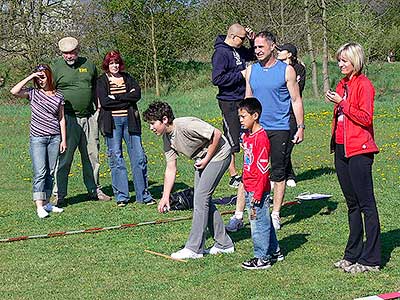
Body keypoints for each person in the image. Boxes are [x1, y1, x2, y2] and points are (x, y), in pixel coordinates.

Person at [143, 101, 234, 259]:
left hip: (219, 154)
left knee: (200, 198)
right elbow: (171, 168)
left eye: (152, 123)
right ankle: (224, 244)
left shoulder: (185, 125)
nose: (151, 128)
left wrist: (206, 160)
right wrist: (165, 197)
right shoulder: (167, 138)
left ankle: (194, 249)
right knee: (203, 199)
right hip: (203, 159)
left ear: (164, 119)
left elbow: (217, 134)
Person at [326, 42, 381, 273]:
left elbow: (365, 117)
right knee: (352, 204)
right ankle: (353, 254)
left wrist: (343, 103)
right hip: (342, 149)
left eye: (344, 61)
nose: (340, 64)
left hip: (360, 150)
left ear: (355, 61)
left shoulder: (364, 85)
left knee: (366, 204)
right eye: (339, 60)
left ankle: (372, 259)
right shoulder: (343, 84)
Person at [245, 31, 305, 231]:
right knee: (253, 172)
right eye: (255, 47)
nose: (257, 50)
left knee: (278, 173)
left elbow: (296, 100)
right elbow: (248, 103)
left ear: (272, 47)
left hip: (280, 128)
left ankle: (276, 214)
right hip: (257, 129)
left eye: (261, 47)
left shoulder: (287, 70)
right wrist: (245, 126)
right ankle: (251, 210)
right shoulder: (251, 71)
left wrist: (300, 127)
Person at [51, 37, 111, 206]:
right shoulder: (55, 68)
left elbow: (95, 88)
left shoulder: (89, 65)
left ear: (77, 51)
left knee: (92, 155)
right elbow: (50, 91)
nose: (69, 56)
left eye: (72, 53)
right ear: (61, 53)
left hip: (89, 117)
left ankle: (95, 190)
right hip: (67, 119)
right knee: (64, 157)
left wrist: (98, 109)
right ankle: (59, 194)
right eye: (66, 53)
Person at [97, 50, 155, 207]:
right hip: (112, 124)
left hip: (131, 122)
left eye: (116, 62)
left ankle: (143, 195)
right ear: (107, 65)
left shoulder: (127, 78)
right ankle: (122, 196)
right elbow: (105, 102)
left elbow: (136, 95)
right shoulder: (101, 81)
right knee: (116, 158)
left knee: (139, 157)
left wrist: (116, 98)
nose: (114, 66)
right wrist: (126, 99)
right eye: (111, 63)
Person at [10, 64, 66, 218]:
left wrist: (63, 140)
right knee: (40, 172)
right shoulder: (33, 93)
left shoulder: (59, 96)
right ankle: (39, 206)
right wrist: (31, 76)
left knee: (50, 172)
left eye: (43, 76)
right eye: (39, 77)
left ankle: (48, 203)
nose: (41, 80)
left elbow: (61, 119)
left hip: (54, 138)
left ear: (49, 76)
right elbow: (14, 91)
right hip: (38, 138)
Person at [238, 98, 284, 270]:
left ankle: (262, 258)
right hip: (249, 186)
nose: (241, 120)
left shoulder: (261, 138)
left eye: (243, 116)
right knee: (264, 221)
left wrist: (258, 193)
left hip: (258, 189)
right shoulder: (249, 136)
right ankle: (274, 251)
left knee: (257, 225)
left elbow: (264, 170)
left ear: (255, 116)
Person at [212, 23, 255, 189]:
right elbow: (217, 79)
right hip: (229, 101)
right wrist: (241, 75)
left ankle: (248, 172)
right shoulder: (221, 53)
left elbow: (253, 55)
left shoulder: (239, 49)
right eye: (242, 38)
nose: (243, 41)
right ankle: (233, 176)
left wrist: (251, 41)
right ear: (232, 36)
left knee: (247, 136)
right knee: (232, 139)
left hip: (243, 98)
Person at [277, 43, 306, 188]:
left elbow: (296, 90)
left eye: (281, 50)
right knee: (280, 145)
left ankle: (283, 175)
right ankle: (286, 175)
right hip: (278, 110)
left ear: (289, 54)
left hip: (292, 112)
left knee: (287, 145)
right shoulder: (276, 68)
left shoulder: (299, 69)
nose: (278, 52)